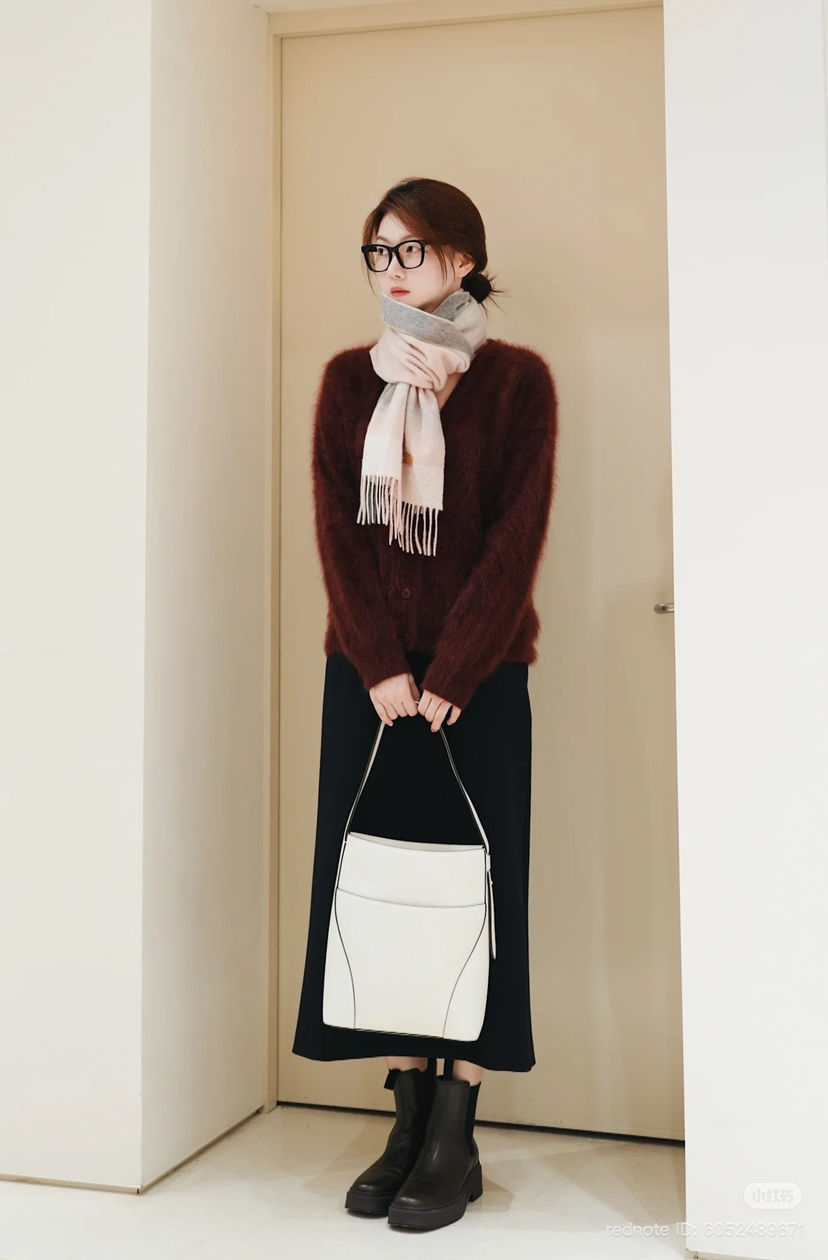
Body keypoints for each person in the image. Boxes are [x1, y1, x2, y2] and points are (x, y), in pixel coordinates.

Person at [291, 176, 559, 1231]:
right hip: (367, 685)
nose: (392, 270)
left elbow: (516, 539)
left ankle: (457, 1135)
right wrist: (377, 665)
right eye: (378, 252)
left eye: (411, 250)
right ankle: (407, 1121)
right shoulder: (346, 382)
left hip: (476, 686)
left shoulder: (517, 383)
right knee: (383, 892)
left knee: (478, 898)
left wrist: (452, 671)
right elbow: (338, 534)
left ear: (463, 260)